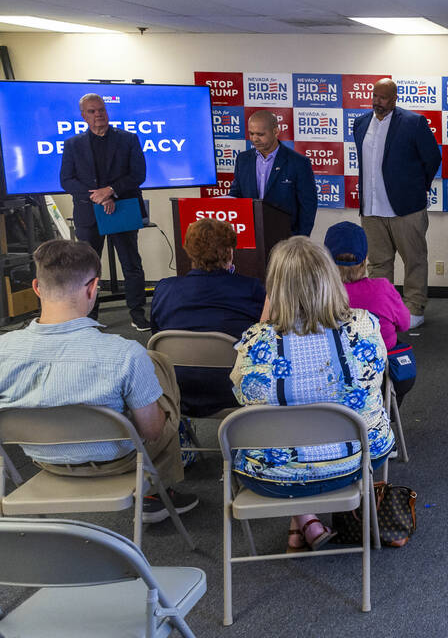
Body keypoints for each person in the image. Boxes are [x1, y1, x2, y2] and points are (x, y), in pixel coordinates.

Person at [0, 240, 198, 522]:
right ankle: (155, 494)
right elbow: (153, 431)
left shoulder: (3, 349)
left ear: (36, 288)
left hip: (43, 458)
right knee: (161, 376)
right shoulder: (125, 353)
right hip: (117, 461)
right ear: (93, 288)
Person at [230, 236, 394, 552]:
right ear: (331, 279)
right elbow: (374, 380)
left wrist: (267, 321)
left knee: (276, 428)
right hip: (353, 464)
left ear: (273, 288)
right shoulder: (364, 326)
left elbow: (246, 400)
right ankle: (305, 521)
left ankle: (302, 519)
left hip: (274, 477)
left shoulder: (254, 345)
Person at [150, 218, 266, 416]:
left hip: (176, 389)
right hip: (235, 389)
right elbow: (265, 337)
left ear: (189, 251)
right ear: (230, 251)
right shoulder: (251, 289)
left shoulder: (164, 289)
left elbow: (157, 334)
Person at [352, 78, 441, 328]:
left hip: (406, 207)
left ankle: (415, 308)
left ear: (395, 99)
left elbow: (432, 157)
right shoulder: (360, 123)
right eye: (374, 96)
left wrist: (416, 186)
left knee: (414, 259)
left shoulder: (413, 123)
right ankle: (383, 308)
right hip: (371, 208)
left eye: (383, 97)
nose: (376, 102)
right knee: (378, 263)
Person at [59, 93, 150, 330]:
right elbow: (67, 181)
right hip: (90, 213)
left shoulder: (128, 139)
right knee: (88, 268)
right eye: (92, 111)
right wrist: (98, 197)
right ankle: (90, 317)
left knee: (131, 264)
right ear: (83, 116)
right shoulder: (72, 144)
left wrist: (111, 191)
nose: (98, 114)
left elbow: (138, 174)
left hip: (123, 208)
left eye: (101, 109)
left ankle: (137, 313)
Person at [228, 110, 317, 237]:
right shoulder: (242, 160)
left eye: (260, 134)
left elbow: (308, 206)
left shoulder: (299, 163)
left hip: (286, 239)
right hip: (250, 236)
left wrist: (300, 240)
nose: (254, 139)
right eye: (251, 133)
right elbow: (236, 195)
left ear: (276, 131)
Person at [323, 221, 410, 349]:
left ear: (326, 259)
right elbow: (404, 324)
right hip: (379, 362)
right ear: (365, 258)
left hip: (333, 361)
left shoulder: (318, 292)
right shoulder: (383, 288)